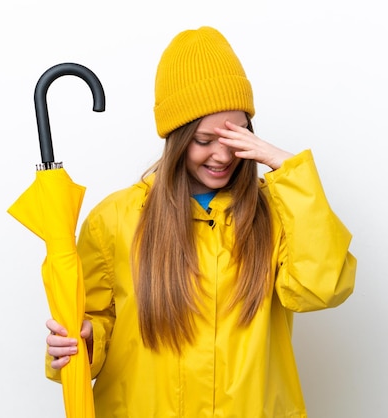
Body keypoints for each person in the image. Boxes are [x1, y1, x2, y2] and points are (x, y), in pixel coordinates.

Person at [45, 26, 356, 417]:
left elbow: (323, 288)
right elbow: (95, 322)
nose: (222, 156)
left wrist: (288, 170)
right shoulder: (115, 219)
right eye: (205, 140)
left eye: (236, 137)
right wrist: (84, 345)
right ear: (177, 138)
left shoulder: (278, 212)